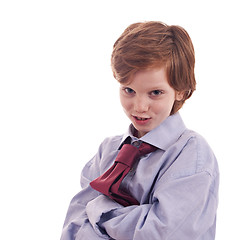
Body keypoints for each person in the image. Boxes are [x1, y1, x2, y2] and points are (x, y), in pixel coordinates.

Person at [60, 21, 219, 240]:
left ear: (181, 91)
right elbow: (74, 226)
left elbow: (162, 233)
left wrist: (100, 210)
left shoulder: (192, 153)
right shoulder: (108, 151)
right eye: (129, 90)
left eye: (155, 92)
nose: (139, 106)